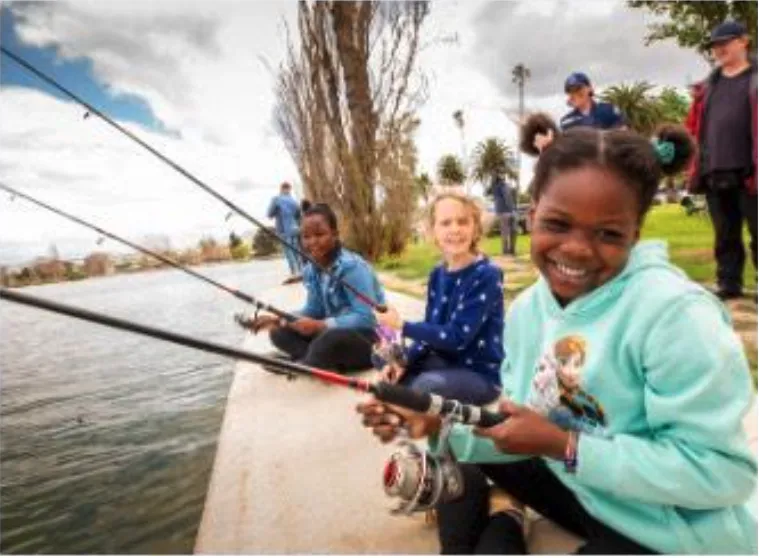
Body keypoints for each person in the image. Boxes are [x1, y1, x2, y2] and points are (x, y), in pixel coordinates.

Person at [359, 116, 757, 554]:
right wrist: (438, 426)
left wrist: (568, 447)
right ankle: (505, 513)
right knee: (462, 453)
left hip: (665, 530)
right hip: (581, 489)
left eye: (607, 233)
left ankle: (505, 517)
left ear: (636, 234)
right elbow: (522, 423)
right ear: (532, 215)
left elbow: (725, 473)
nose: (576, 248)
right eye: (557, 224)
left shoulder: (676, 316)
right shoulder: (530, 309)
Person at [374, 193, 504, 406]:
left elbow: (456, 337)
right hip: (443, 362)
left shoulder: (487, 275)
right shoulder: (437, 274)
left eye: (463, 221)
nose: (455, 229)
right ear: (433, 232)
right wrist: (403, 362)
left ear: (475, 228)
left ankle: (410, 391)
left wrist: (401, 325)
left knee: (426, 385)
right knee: (383, 358)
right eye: (445, 223)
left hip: (478, 375)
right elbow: (430, 331)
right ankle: (406, 387)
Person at [249, 203, 385, 372]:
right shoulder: (311, 270)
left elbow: (366, 318)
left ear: (335, 235)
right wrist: (279, 319)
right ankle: (316, 361)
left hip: (369, 340)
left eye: (319, 234)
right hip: (330, 335)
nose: (312, 241)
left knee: (328, 339)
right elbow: (313, 309)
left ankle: (305, 364)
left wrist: (321, 325)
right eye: (306, 236)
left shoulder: (353, 268)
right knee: (278, 332)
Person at [684, 20, 757, 300]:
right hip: (715, 172)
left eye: (725, 42)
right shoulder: (706, 88)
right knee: (725, 234)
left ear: (743, 41)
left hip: (751, 172)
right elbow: (692, 127)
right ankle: (729, 283)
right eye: (715, 45)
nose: (719, 49)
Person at [267, 182, 302, 281]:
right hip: (295, 229)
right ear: (289, 189)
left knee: (288, 251)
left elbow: (269, 214)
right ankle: (301, 271)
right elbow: (299, 216)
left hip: (283, 230)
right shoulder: (294, 201)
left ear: (281, 189)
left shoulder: (276, 199)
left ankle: (294, 272)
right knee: (296, 250)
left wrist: (276, 212)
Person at [491, 175, 518, 256]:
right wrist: (512, 209)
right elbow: (507, 198)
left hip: (502, 212)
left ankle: (506, 250)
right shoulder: (502, 186)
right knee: (512, 230)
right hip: (507, 211)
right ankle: (510, 250)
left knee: (505, 231)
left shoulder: (496, 187)